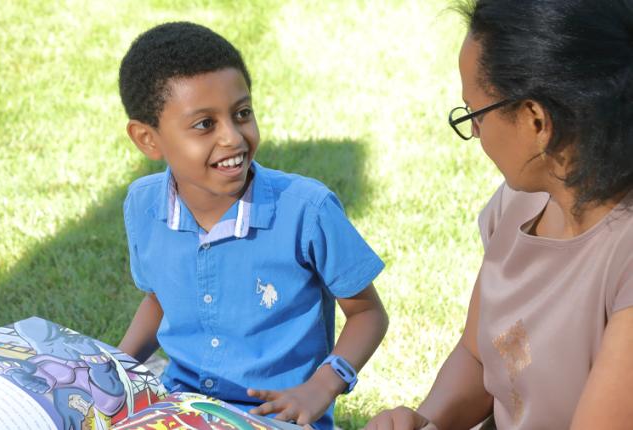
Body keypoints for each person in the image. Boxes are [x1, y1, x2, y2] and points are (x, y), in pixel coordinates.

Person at [366, 0, 633, 429]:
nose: (473, 131)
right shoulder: (518, 204)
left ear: (536, 120)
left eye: (476, 114)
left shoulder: (623, 255)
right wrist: (425, 421)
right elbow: (480, 353)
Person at [116, 22, 388, 430]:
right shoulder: (142, 204)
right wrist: (112, 367)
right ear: (147, 139)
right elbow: (159, 299)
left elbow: (368, 313)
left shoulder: (306, 210)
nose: (233, 138)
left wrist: (322, 387)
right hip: (178, 408)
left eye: (241, 113)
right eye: (205, 124)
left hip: (276, 419)